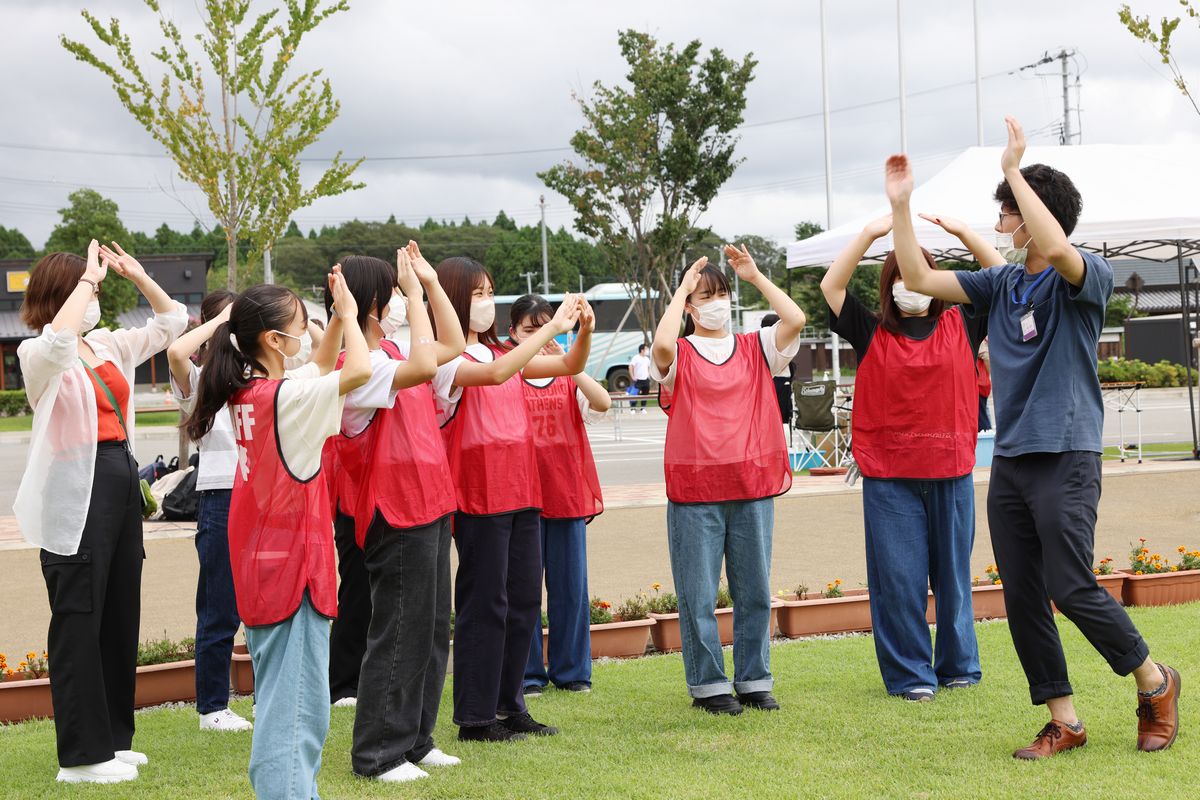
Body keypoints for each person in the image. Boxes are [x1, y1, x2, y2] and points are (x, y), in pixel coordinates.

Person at [884, 117, 1180, 759]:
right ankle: (1063, 719)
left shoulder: (1087, 278)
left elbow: (1062, 250)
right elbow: (920, 278)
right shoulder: (1004, 283)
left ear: (1032, 214)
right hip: (1014, 459)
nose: (999, 223)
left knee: (1070, 584)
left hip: (1066, 454)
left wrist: (1016, 171)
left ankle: (1154, 681)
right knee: (1021, 591)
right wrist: (901, 209)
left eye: (1007, 212)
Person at [186, 271, 371, 798]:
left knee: (284, 706)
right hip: (296, 572)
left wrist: (335, 319)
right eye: (300, 325)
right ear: (273, 340)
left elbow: (316, 368)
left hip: (265, 566)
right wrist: (352, 319)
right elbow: (352, 369)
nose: (307, 333)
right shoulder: (285, 397)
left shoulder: (250, 392)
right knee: (296, 716)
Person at [15, 241, 187, 784]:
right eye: (85, 290)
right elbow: (57, 342)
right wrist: (87, 280)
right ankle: (83, 756)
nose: (94, 297)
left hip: (118, 478)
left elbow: (173, 320)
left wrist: (137, 275)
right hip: (75, 489)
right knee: (79, 615)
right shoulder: (36, 354)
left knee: (118, 612)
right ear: (62, 294)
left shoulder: (108, 344)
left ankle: (114, 738)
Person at [821, 213, 1001, 702]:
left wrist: (965, 236)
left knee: (954, 577)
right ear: (889, 285)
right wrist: (867, 235)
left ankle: (959, 664)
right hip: (889, 477)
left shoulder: (962, 320)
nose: (908, 284)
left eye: (916, 273)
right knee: (898, 583)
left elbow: (1001, 274)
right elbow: (830, 286)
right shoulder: (869, 329)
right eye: (898, 275)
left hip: (950, 471)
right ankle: (910, 675)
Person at [431, 256, 589, 742]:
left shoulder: (502, 350)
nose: (487, 302)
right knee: (486, 603)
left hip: (523, 490)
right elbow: (499, 374)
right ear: (455, 297)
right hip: (480, 496)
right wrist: (552, 326)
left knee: (523, 600)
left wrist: (580, 331)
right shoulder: (446, 359)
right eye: (477, 294)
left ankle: (510, 703)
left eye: (489, 292)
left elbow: (569, 365)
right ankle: (476, 717)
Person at [324, 245, 465, 784]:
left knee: (430, 629)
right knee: (399, 629)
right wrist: (413, 292)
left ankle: (416, 737)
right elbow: (430, 360)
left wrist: (427, 283)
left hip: (429, 501)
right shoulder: (357, 370)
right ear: (374, 303)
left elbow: (449, 347)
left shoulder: (394, 357)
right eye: (393, 295)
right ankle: (379, 751)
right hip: (393, 509)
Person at [650, 246, 806, 716]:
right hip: (697, 493)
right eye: (705, 295)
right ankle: (708, 686)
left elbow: (795, 319)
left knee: (754, 590)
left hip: (752, 486)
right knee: (697, 594)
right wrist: (679, 290)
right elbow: (660, 347)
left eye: (722, 293)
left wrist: (756, 276)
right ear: (690, 307)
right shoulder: (677, 353)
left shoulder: (756, 345)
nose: (716, 301)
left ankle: (754, 679)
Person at [507, 294, 609, 696]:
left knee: (570, 590)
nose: (540, 337)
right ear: (513, 334)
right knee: (524, 591)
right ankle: (529, 673)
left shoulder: (569, 375)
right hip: (521, 500)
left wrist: (570, 363)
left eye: (547, 327)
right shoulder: (506, 374)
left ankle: (572, 672)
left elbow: (601, 402)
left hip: (566, 496)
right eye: (530, 331)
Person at [167, 289, 254, 733]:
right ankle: (212, 706)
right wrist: (220, 320)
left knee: (263, 601)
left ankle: (262, 692)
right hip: (220, 494)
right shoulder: (198, 378)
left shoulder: (257, 373)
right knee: (220, 604)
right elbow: (177, 350)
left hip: (261, 493)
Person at [759, 313, 795, 426]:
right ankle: (785, 442)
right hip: (782, 381)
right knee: (783, 418)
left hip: (766, 381)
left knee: (766, 417)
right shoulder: (783, 339)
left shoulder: (759, 339)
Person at [629, 343, 652, 412]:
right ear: (642, 350)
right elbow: (631, 367)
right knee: (634, 394)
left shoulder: (647, 359)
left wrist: (649, 375)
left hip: (645, 380)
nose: (647, 351)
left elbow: (649, 367)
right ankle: (633, 408)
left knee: (645, 394)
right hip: (638, 380)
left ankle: (643, 408)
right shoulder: (636, 357)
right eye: (646, 349)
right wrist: (632, 376)